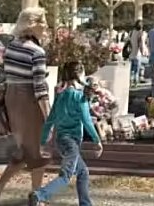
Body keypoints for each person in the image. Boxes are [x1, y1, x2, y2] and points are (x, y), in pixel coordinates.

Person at [0, 7, 51, 205]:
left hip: (12, 100)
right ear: (33, 25)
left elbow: (7, 75)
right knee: (38, 151)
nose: (46, 27)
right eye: (43, 23)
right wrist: (49, 117)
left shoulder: (12, 47)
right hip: (29, 101)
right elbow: (40, 89)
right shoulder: (37, 51)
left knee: (24, 150)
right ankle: (36, 196)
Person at [28, 61, 102, 206]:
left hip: (61, 141)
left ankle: (86, 203)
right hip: (71, 142)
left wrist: (43, 142)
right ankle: (39, 195)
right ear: (80, 75)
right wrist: (97, 141)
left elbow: (49, 121)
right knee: (66, 176)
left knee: (83, 172)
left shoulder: (60, 97)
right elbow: (87, 121)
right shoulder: (79, 98)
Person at [128, 20, 146, 86]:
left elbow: (128, 41)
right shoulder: (140, 33)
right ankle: (135, 83)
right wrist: (142, 52)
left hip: (130, 54)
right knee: (136, 70)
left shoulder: (131, 32)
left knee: (131, 70)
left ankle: (130, 81)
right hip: (137, 54)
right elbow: (140, 43)